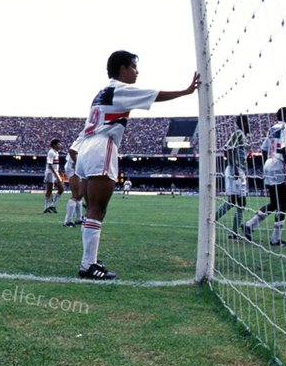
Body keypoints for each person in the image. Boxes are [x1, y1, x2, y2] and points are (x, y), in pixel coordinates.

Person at [73, 51, 199, 279]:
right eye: (133, 67)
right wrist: (186, 91)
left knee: (91, 208)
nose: (137, 72)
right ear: (123, 69)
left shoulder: (101, 93)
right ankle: (87, 265)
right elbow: (155, 94)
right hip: (103, 146)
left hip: (86, 148)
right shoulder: (121, 89)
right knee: (97, 209)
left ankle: (89, 260)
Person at [244, 107, 286, 247]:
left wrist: (268, 161)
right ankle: (275, 239)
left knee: (274, 202)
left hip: (269, 163)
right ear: (285, 116)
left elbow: (264, 148)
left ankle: (249, 224)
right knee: (283, 203)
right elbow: (284, 148)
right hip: (279, 164)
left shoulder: (272, 128)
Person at [216, 114, 250, 238]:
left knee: (240, 202)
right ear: (244, 124)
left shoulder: (243, 137)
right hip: (234, 170)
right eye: (248, 122)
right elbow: (227, 149)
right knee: (234, 201)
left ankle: (234, 232)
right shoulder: (238, 134)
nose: (250, 125)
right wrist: (234, 167)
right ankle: (212, 221)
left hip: (239, 170)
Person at [62, 136, 85, 227]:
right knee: (76, 195)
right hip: (72, 167)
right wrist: (77, 164)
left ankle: (78, 218)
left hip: (79, 167)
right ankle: (67, 221)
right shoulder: (83, 138)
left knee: (80, 195)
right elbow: (71, 150)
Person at [42, 138, 65, 213]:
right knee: (49, 191)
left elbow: (55, 165)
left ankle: (52, 205)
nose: (60, 145)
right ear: (54, 145)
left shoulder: (56, 152)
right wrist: (56, 174)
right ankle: (45, 208)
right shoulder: (51, 152)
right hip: (50, 173)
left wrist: (58, 172)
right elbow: (50, 165)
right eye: (58, 144)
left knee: (61, 189)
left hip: (55, 173)